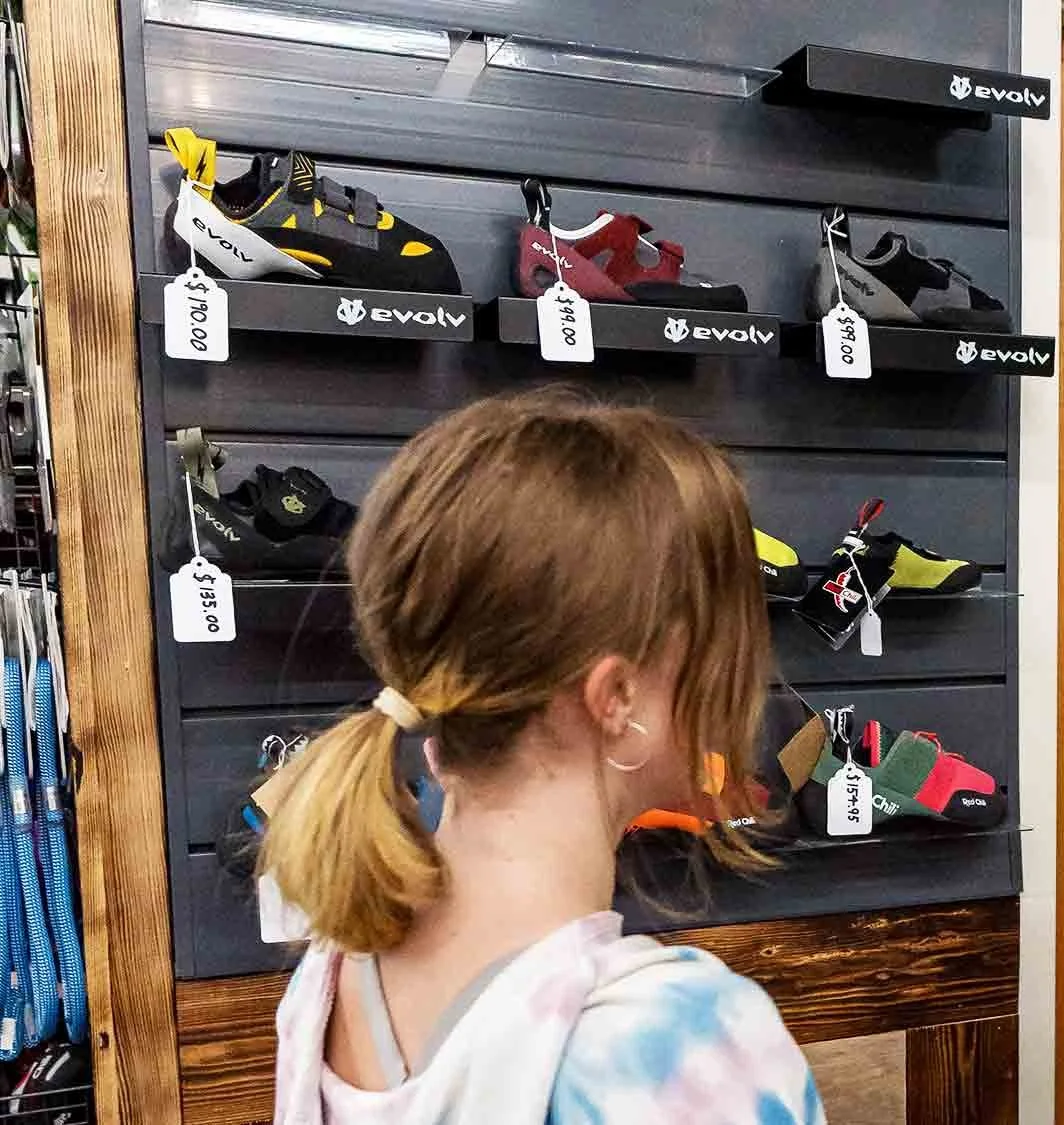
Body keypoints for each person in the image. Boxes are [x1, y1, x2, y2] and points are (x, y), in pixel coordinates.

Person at [256, 391, 824, 1124]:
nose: (743, 679)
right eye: (726, 642)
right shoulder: (674, 1041)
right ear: (617, 695)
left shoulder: (330, 977)